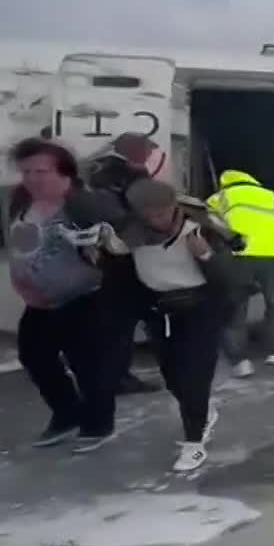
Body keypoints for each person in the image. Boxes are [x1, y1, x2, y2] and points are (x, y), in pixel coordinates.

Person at [106, 179, 244, 472]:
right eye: (148, 214)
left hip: (201, 310)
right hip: (160, 311)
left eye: (161, 212)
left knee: (195, 376)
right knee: (174, 378)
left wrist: (205, 255)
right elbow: (116, 264)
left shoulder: (201, 230)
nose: (156, 219)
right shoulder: (130, 235)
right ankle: (202, 412)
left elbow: (231, 279)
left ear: (175, 207)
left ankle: (193, 444)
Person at [8, 137, 124, 453]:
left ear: (65, 174)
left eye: (40, 172)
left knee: (88, 364)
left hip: (84, 298)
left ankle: (99, 423)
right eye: (26, 171)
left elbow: (120, 240)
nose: (31, 179)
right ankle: (68, 413)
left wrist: (99, 249)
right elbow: (20, 242)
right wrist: (20, 282)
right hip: (37, 300)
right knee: (34, 357)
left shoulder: (84, 203)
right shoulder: (21, 200)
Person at [84, 133, 167, 396]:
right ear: (135, 152)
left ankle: (108, 375)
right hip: (125, 258)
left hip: (103, 256)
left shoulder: (99, 172)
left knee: (114, 324)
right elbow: (143, 213)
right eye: (147, 151)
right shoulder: (129, 175)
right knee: (123, 324)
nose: (149, 156)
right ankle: (117, 378)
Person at [206, 168, 274, 377]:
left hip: (237, 257)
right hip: (273, 256)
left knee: (236, 309)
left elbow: (208, 222)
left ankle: (240, 362)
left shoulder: (220, 198)